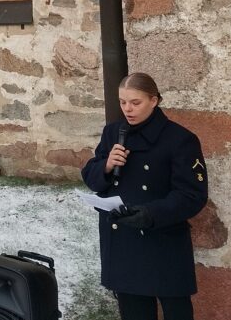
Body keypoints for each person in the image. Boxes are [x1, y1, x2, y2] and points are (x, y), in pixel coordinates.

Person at [82, 72, 208, 320]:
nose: (128, 109)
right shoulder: (113, 133)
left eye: (135, 102)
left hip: (164, 241)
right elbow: (90, 176)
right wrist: (106, 166)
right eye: (122, 102)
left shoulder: (180, 140)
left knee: (176, 312)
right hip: (125, 241)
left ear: (154, 100)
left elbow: (193, 195)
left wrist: (151, 214)